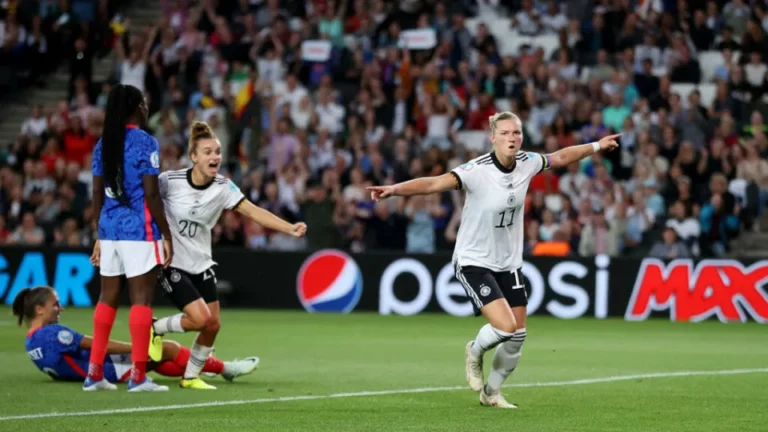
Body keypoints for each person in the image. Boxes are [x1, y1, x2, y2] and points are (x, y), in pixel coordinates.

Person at [368, 112, 619, 408]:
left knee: (518, 335)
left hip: (509, 262)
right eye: (506, 133)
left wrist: (596, 147)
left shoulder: (528, 162)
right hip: (473, 259)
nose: (512, 138)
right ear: (493, 138)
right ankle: (474, 351)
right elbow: (435, 184)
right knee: (504, 327)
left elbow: (561, 157)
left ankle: (491, 393)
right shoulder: (476, 170)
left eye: (517, 133)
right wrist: (394, 190)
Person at [148, 121, 307, 390]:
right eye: (208, 152)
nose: (215, 157)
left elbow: (254, 211)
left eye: (218, 152)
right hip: (171, 262)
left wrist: (288, 227)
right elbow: (145, 201)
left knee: (213, 325)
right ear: (194, 157)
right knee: (200, 320)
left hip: (201, 262)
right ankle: (156, 327)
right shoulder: (168, 182)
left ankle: (190, 377)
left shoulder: (223, 187)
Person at [88, 83, 174, 392]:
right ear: (137, 108)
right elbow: (151, 193)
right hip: (139, 230)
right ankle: (138, 376)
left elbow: (97, 192)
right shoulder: (145, 142)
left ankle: (94, 373)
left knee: (106, 298)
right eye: (144, 102)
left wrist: (99, 233)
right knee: (142, 299)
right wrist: (166, 234)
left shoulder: (103, 143)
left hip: (110, 229)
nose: (147, 106)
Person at [13, 286, 259, 384]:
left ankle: (199, 368)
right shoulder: (52, 334)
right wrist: (137, 348)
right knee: (168, 348)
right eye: (55, 304)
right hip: (109, 372)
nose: (61, 308)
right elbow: (100, 345)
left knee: (159, 355)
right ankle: (225, 368)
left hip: (95, 370)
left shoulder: (31, 342)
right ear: (39, 309)